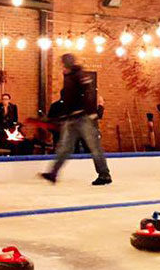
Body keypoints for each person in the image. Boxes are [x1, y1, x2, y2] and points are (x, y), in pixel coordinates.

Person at [41, 54, 112, 185]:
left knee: (94, 147)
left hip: (83, 118)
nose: (61, 65)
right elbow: (69, 99)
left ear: (67, 63)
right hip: (72, 118)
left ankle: (104, 175)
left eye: (62, 63)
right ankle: (53, 173)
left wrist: (92, 113)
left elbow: (89, 93)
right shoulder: (69, 77)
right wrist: (66, 115)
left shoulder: (79, 75)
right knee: (65, 147)